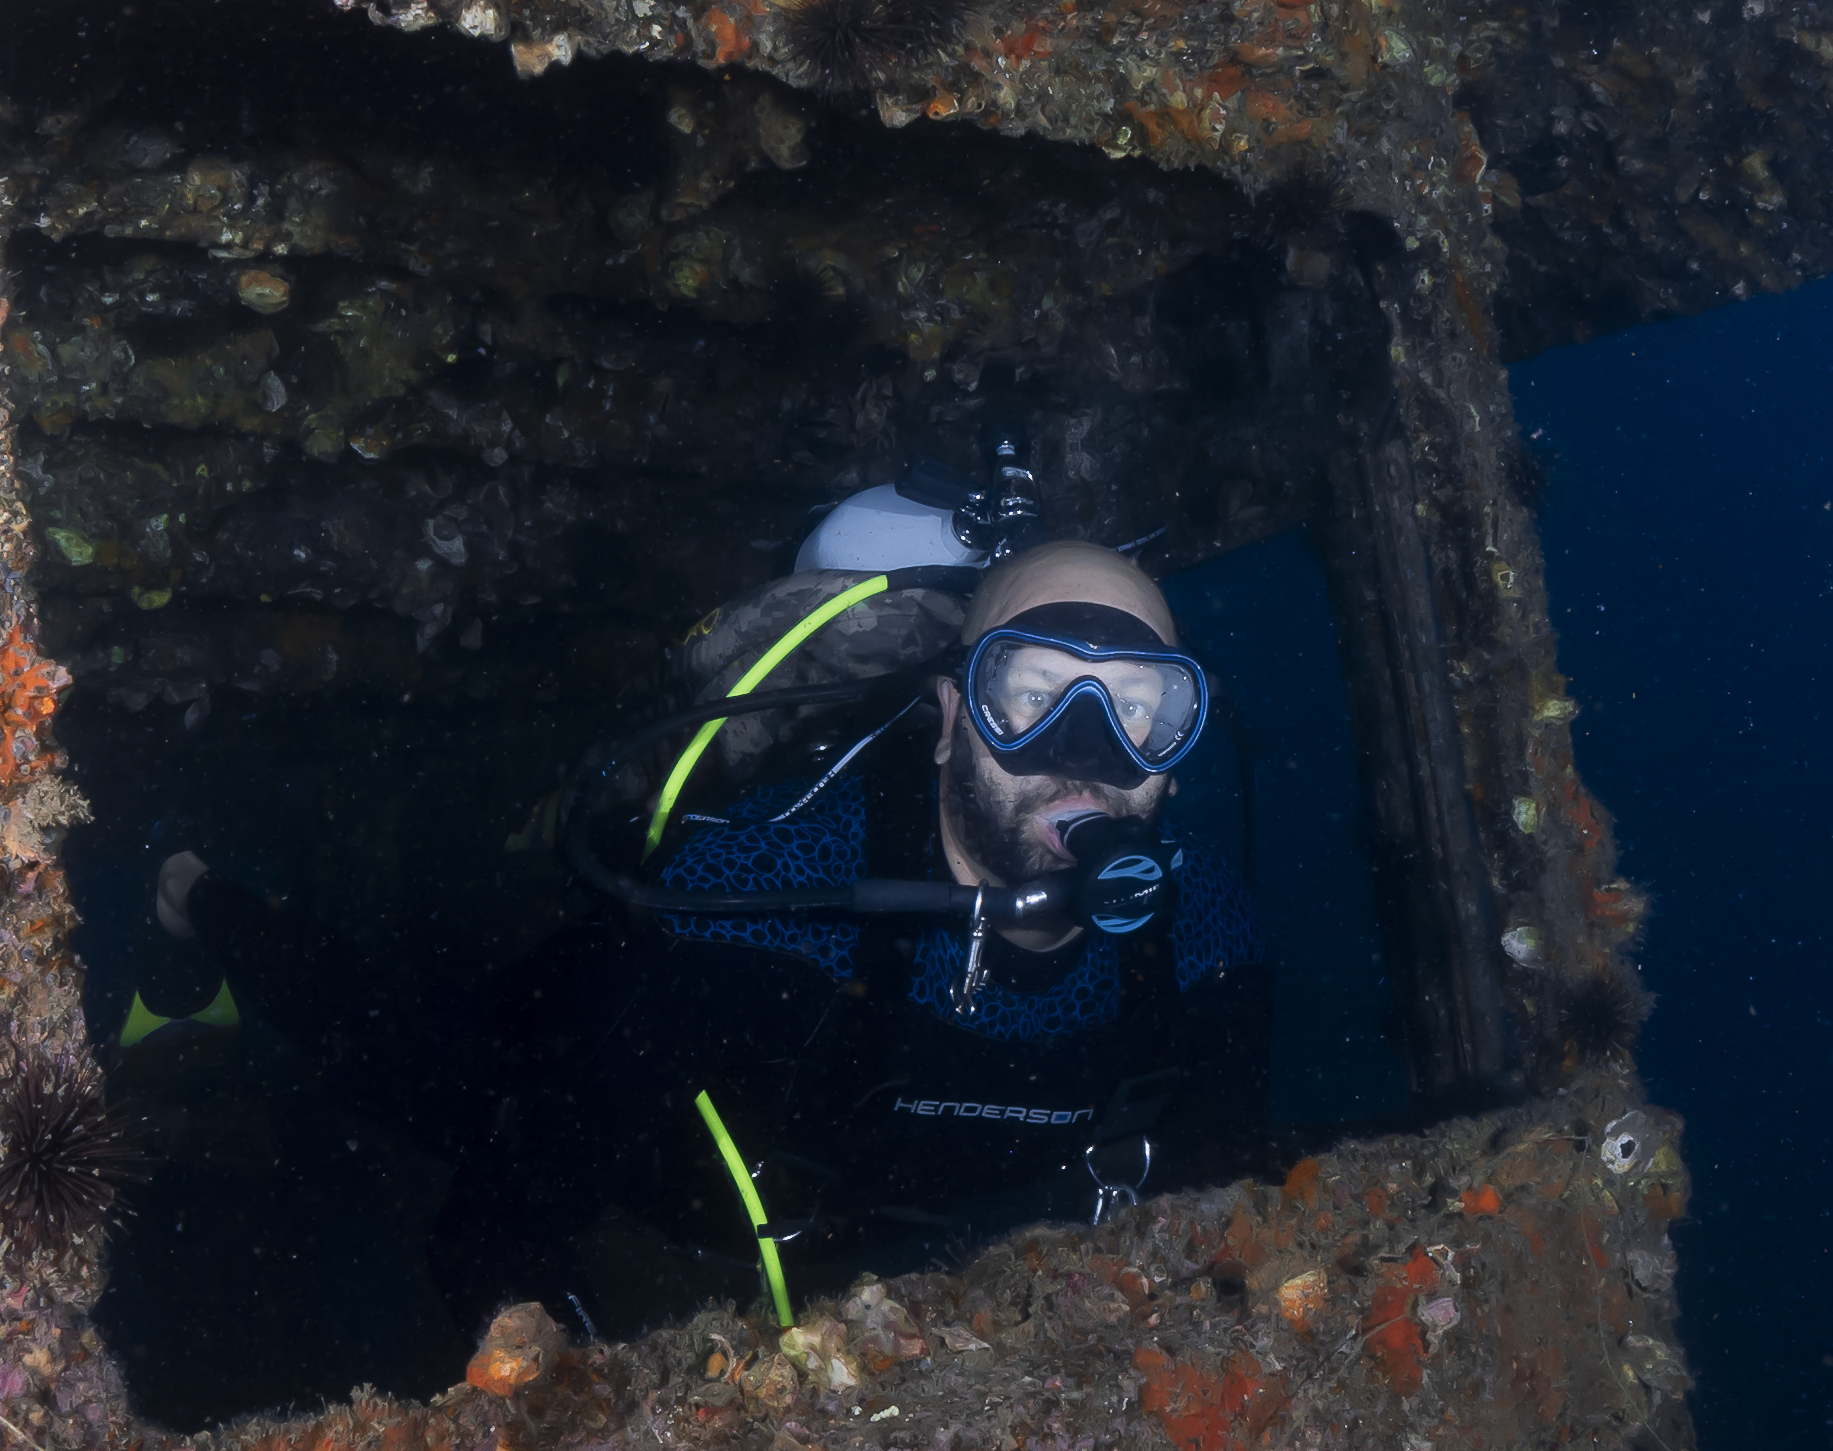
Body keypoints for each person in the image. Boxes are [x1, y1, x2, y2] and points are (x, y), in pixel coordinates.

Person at [140, 537, 1275, 1340]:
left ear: (1176, 747)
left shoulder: (1201, 935)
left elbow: (1222, 1205)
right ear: (943, 725)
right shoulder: (763, 902)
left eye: (1138, 706)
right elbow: (496, 1226)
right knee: (419, 1062)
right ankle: (207, 900)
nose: (1084, 747)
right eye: (1028, 694)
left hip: (843, 1214)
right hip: (642, 1143)